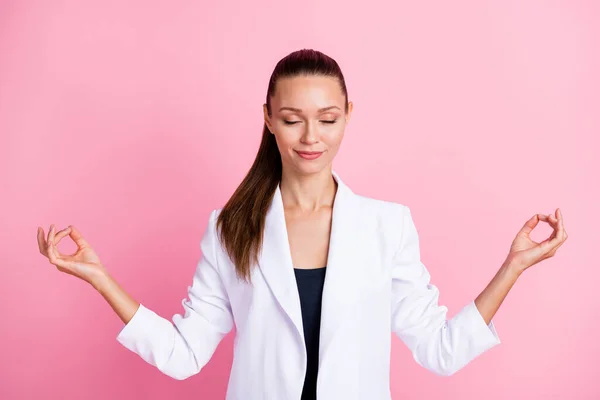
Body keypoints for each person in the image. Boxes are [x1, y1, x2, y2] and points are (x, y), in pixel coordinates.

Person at [37, 49, 567, 400]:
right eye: (292, 119)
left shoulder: (387, 226)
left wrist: (514, 265)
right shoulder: (230, 229)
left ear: (348, 115)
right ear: (268, 118)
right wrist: (98, 276)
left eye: (328, 119)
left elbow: (440, 350)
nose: (311, 136)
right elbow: (184, 355)